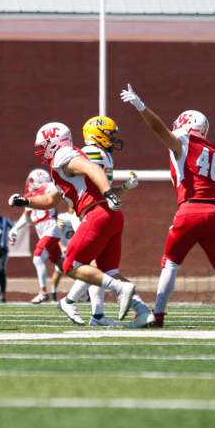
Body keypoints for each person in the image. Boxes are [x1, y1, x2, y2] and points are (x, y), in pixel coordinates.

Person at [120, 84, 215, 327]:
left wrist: (141, 106)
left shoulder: (183, 140)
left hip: (190, 209)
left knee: (170, 262)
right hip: (214, 211)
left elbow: (159, 129)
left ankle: (157, 314)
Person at [8, 121, 152, 327]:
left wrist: (109, 192)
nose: (41, 151)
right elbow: (51, 200)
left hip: (96, 213)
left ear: (53, 142)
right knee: (109, 271)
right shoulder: (65, 163)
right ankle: (143, 312)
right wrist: (26, 201)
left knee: (70, 265)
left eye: (43, 145)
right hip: (110, 216)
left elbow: (92, 168)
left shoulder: (63, 154)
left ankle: (114, 291)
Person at [59, 115, 139, 326]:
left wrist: (124, 188)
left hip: (94, 212)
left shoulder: (102, 154)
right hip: (89, 213)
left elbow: (103, 193)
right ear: (98, 135)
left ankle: (87, 309)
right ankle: (79, 305)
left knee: (90, 267)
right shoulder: (92, 153)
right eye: (110, 135)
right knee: (91, 266)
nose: (114, 140)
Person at [9, 168, 64, 304]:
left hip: (50, 229)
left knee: (38, 257)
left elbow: (55, 188)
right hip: (45, 232)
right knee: (63, 265)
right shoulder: (31, 197)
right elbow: (26, 217)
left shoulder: (48, 188)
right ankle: (85, 282)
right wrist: (15, 228)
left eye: (32, 181)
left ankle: (43, 292)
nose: (30, 184)